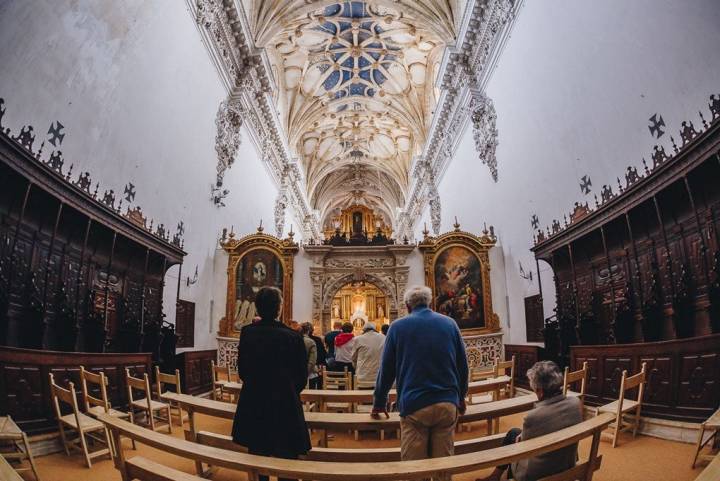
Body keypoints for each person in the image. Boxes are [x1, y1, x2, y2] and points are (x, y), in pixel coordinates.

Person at [372, 285, 468, 481]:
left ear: (407, 306)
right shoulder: (450, 324)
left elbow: (387, 369)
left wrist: (379, 402)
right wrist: (461, 396)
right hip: (447, 402)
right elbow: (462, 365)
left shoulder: (397, 327)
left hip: (414, 404)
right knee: (444, 463)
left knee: (414, 467)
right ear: (430, 303)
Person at [232, 287, 310, 481]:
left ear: (257, 308)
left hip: (254, 401)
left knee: (258, 455)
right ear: (279, 309)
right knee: (287, 458)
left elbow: (243, 371)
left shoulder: (247, 333)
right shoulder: (293, 336)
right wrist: (287, 389)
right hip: (285, 404)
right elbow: (301, 377)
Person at [476, 361, 583, 481]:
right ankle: (495, 476)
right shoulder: (575, 403)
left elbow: (522, 450)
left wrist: (520, 440)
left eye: (535, 389)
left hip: (538, 473)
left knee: (513, 437)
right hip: (566, 463)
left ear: (540, 391)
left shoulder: (533, 417)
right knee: (514, 433)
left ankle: (495, 476)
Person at [352, 320, 386, 387]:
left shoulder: (358, 339)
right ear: (375, 329)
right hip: (379, 376)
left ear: (364, 330)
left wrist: (358, 368)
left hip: (362, 377)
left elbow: (353, 358)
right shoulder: (383, 338)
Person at [301, 322, 320, 388]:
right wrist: (306, 373)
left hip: (297, 371)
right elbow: (312, 360)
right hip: (310, 374)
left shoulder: (294, 339)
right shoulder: (310, 341)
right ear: (309, 331)